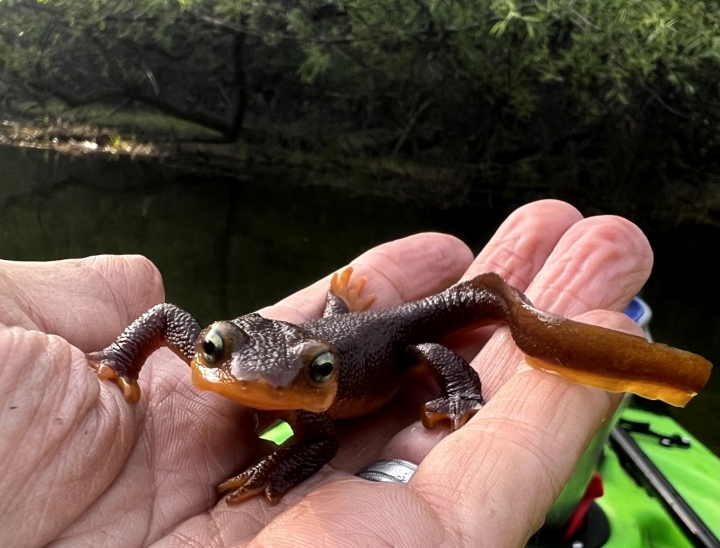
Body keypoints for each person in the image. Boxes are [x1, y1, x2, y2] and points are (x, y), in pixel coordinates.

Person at [0, 199, 651, 547]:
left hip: (383, 341)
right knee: (294, 347)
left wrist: (276, 468)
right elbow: (165, 314)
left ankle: (463, 389)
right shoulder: (203, 343)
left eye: (307, 378)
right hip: (326, 330)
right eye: (218, 353)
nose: (267, 392)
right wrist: (119, 358)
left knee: (424, 354)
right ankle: (325, 334)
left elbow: (323, 440)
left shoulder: (313, 404)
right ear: (211, 347)